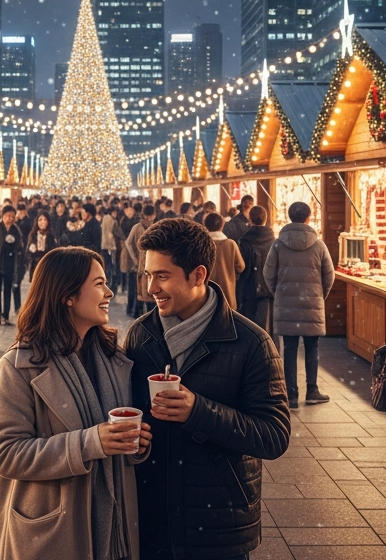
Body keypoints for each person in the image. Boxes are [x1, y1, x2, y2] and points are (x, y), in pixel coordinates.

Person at [125, 219, 291, 559]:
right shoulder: (141, 336)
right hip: (153, 522)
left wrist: (198, 411)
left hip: (219, 525)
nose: (151, 288)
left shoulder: (251, 343)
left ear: (198, 275)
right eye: (148, 275)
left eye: (162, 276)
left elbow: (274, 435)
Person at [0, 247, 152, 558]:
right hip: (54, 527)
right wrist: (90, 443)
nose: (109, 292)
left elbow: (113, 443)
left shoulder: (114, 358)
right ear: (67, 296)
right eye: (99, 284)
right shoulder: (18, 366)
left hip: (114, 527)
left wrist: (134, 443)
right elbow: (6, 454)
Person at [263, 201, 335, 408]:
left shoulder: (278, 244)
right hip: (312, 302)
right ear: (308, 218)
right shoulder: (319, 245)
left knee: (289, 348)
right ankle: (312, 390)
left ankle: (291, 394)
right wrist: (319, 296)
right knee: (312, 347)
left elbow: (268, 274)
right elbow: (329, 276)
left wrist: (279, 293)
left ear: (290, 216)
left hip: (286, 303)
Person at [235, 206, 276, 332]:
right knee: (268, 328)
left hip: (249, 287)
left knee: (249, 328)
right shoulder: (274, 240)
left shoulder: (245, 240)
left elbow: (242, 266)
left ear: (250, 219)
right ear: (266, 219)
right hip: (269, 288)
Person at [0, 205, 26, 324]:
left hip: (10, 265)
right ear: (3, 216)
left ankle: (5, 315)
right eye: (8, 216)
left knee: (7, 290)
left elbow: (20, 246)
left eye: (13, 216)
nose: (11, 218)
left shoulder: (16, 230)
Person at [204, 211, 246, 310]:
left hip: (206, 294)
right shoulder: (231, 244)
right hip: (227, 293)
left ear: (205, 225)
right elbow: (241, 267)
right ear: (222, 226)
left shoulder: (203, 243)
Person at [121, 203, 155, 316]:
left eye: (151, 216)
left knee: (145, 290)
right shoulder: (138, 227)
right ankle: (136, 312)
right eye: (147, 216)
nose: (149, 218)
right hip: (138, 264)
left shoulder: (153, 227)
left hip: (148, 263)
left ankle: (143, 313)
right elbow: (128, 243)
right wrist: (134, 258)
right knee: (138, 289)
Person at [26, 211, 55, 278]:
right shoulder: (33, 234)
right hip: (35, 264)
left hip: (48, 264)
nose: (43, 222)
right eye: (40, 220)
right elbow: (28, 252)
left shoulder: (51, 235)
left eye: (45, 219)